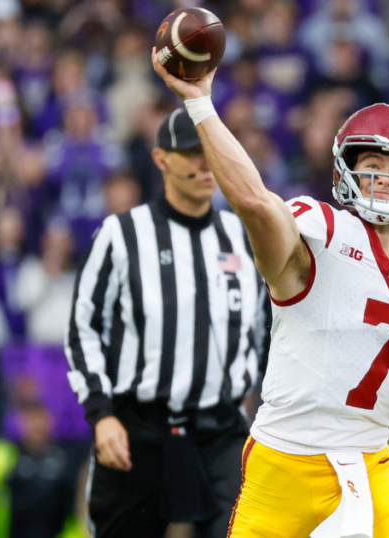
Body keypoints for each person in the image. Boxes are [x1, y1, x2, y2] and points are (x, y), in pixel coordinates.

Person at [151, 49, 389, 538]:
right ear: (345, 170)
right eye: (372, 163)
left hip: (371, 463)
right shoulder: (321, 230)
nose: (383, 179)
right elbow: (253, 203)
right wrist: (201, 103)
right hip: (282, 463)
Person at [64, 108, 267, 538]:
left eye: (208, 152)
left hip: (222, 431)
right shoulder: (121, 235)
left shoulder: (244, 237)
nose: (203, 164)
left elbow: (266, 328)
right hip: (139, 428)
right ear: (160, 159)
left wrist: (260, 399)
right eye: (190, 153)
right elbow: (82, 327)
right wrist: (101, 415)